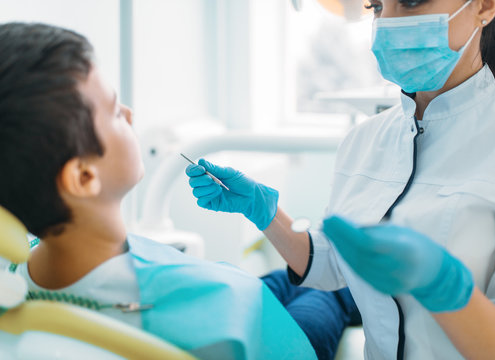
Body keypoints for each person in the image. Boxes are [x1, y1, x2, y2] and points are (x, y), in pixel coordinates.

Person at [186, 0, 495, 359]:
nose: (388, 22)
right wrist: (265, 213)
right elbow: (333, 267)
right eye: (377, 6)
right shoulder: (364, 140)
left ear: (485, 5)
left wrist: (445, 287)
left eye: (411, 1)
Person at [0, 22, 360, 360]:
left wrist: (265, 213)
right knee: (337, 291)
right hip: (272, 332)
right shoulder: (221, 301)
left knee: (286, 279)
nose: (128, 112)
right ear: (82, 177)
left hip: (245, 304)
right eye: (112, 112)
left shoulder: (17, 270)